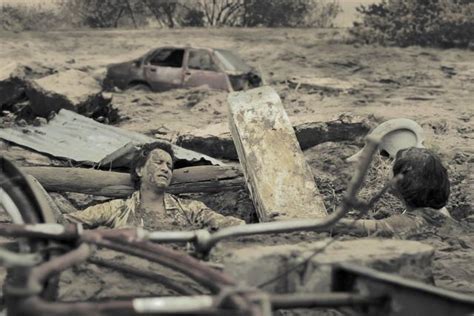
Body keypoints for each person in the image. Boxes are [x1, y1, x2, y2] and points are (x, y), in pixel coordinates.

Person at [65, 142, 244, 231]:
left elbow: (229, 224)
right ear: (140, 170)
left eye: (169, 166)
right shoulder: (118, 209)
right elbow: (69, 222)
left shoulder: (191, 209)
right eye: (158, 162)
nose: (165, 169)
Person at [333, 147, 459, 237]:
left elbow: (350, 227)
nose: (387, 168)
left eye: (391, 166)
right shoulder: (440, 211)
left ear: (398, 183)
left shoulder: (408, 222)